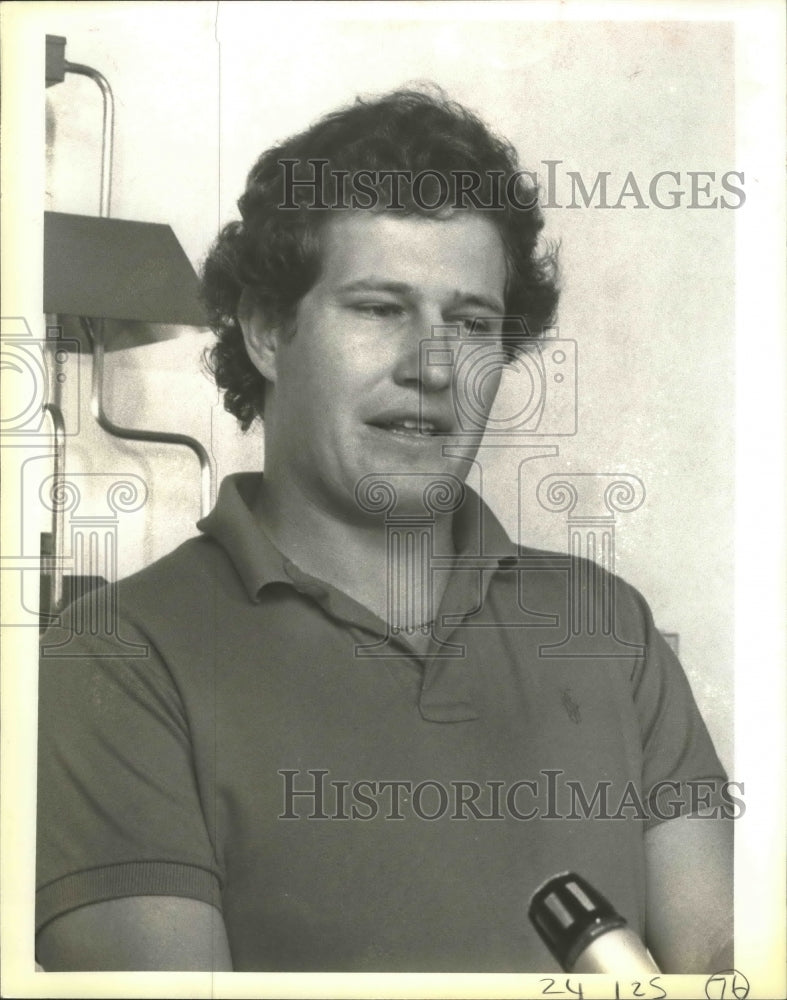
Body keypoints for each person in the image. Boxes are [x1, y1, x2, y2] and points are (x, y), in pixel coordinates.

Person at [36, 88, 733, 973]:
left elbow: (718, 961)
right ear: (264, 331)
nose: (432, 366)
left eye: (471, 322)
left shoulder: (607, 623)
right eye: (378, 308)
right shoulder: (115, 659)